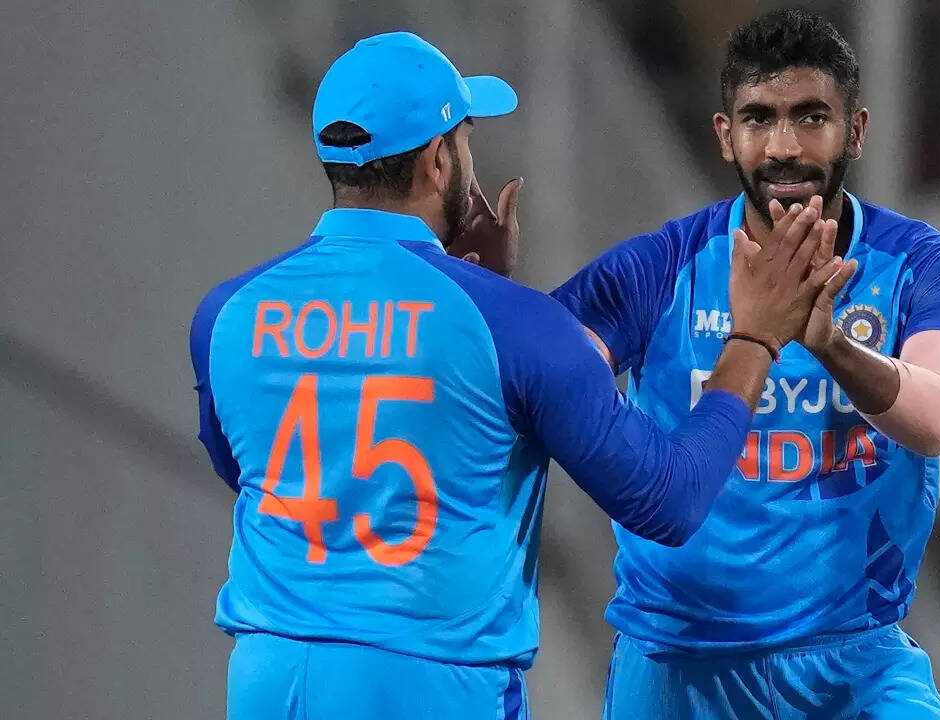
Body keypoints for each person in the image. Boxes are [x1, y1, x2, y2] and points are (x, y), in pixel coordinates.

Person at [188, 31, 846, 720]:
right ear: (439, 161)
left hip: (271, 678)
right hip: (431, 688)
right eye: (465, 141)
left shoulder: (225, 314)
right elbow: (669, 498)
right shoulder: (515, 328)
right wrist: (755, 336)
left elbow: (264, 469)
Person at [552, 10, 940, 719]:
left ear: (855, 130)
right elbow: (545, 384)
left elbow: (936, 420)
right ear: (726, 135)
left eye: (811, 117)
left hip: (857, 663)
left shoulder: (925, 267)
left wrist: (830, 345)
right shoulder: (659, 269)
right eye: (759, 119)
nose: (784, 147)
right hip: (678, 663)